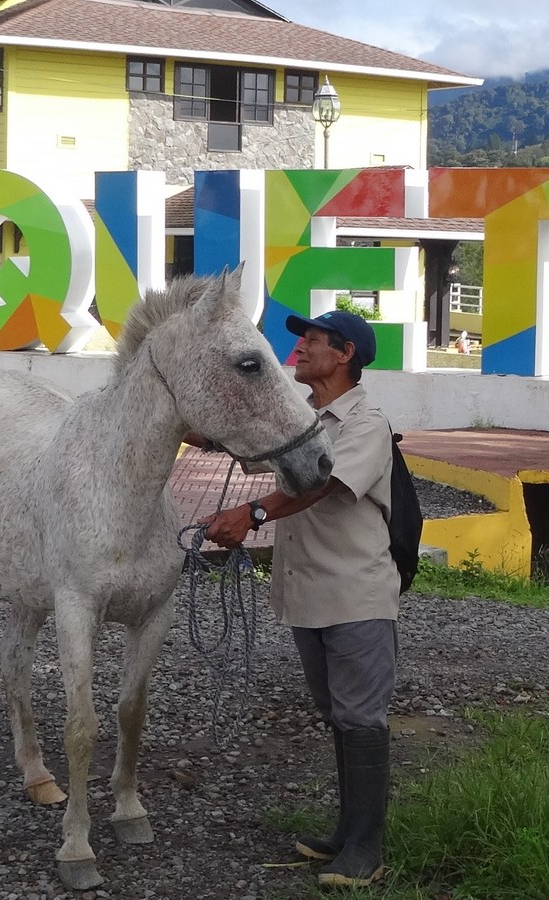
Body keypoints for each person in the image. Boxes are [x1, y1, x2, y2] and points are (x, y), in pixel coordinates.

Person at [201, 309, 399, 888]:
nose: (302, 347)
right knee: (340, 716)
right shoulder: (304, 420)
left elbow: (324, 485)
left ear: (345, 356)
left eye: (314, 339)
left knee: (362, 718)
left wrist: (253, 512)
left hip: (356, 595)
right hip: (310, 595)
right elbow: (256, 453)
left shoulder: (369, 423)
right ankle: (346, 834)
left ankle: (366, 848)